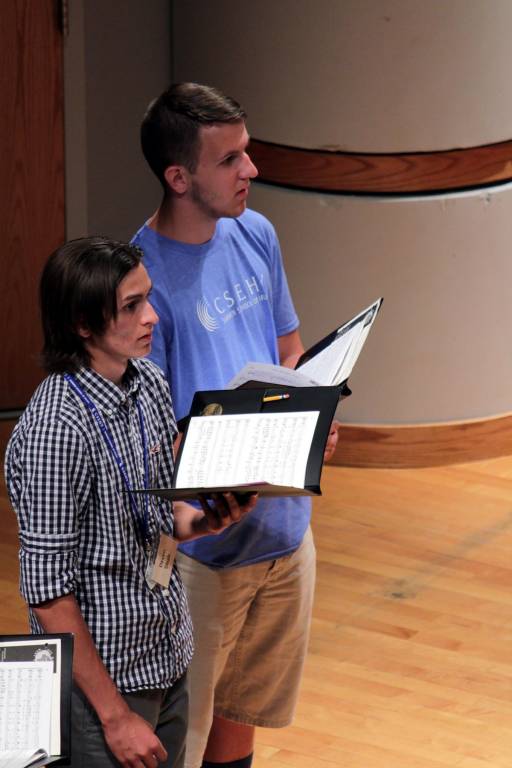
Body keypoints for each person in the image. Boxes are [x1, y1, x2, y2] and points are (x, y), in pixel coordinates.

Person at [133, 82, 339, 768]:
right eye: (230, 159)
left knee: (241, 723)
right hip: (203, 553)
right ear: (179, 177)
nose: (251, 169)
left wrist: (314, 413)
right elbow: (153, 438)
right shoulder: (139, 283)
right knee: (182, 743)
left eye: (246, 152)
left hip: (285, 532)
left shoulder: (257, 234)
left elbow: (288, 349)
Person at [4, 236, 256, 768]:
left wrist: (202, 522)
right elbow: (48, 595)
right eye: (131, 306)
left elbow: (158, 519)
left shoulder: (149, 384)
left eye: (149, 298)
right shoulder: (56, 430)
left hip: (166, 658)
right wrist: (116, 717)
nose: (153, 317)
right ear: (82, 323)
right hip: (99, 694)